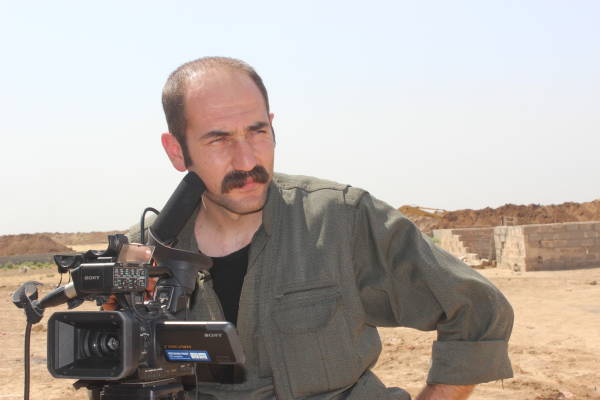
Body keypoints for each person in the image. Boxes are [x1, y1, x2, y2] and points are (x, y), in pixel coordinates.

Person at [133, 56, 513, 399]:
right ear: (177, 151)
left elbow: (477, 310)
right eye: (219, 139)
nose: (247, 160)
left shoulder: (340, 221)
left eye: (257, 131)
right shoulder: (139, 258)